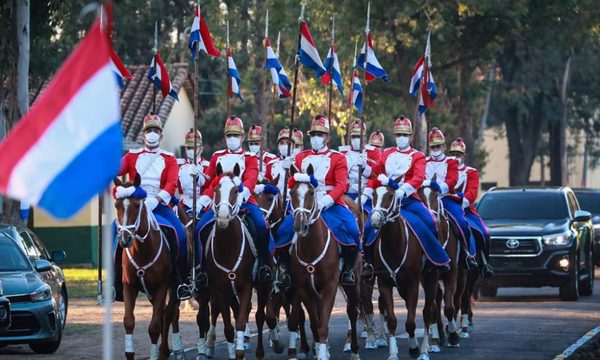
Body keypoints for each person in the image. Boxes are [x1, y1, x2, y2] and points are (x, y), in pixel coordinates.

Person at [114, 113, 192, 300]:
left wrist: (156, 200)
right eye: (149, 130)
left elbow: (171, 183)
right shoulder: (132, 156)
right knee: (112, 233)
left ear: (161, 135)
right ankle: (117, 283)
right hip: (134, 205)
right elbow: (115, 171)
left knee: (180, 234)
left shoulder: (169, 158)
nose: (152, 134)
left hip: (159, 204)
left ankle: (181, 281)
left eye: (156, 130)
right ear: (143, 134)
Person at [277, 115, 361, 285]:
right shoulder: (301, 157)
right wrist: (287, 169)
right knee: (283, 231)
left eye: (320, 134)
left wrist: (326, 200)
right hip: (305, 204)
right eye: (314, 134)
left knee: (352, 230)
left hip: (330, 202)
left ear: (327, 137)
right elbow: (294, 184)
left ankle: (347, 271)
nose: (316, 137)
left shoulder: (338, 157)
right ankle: (285, 270)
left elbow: (341, 185)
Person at [194, 116, 274, 287]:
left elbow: (251, 178)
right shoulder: (217, 157)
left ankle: (263, 265)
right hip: (220, 203)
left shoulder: (250, 157)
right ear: (225, 137)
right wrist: (199, 182)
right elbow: (209, 182)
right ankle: (201, 271)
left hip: (244, 201)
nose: (232, 139)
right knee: (199, 229)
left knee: (262, 227)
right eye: (229, 135)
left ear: (243, 137)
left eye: (236, 136)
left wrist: (242, 194)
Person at [366, 116, 451, 272]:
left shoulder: (417, 155)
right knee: (369, 226)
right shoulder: (387, 153)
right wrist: (365, 169)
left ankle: (433, 258)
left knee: (431, 222)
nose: (402, 138)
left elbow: (418, 177)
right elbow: (376, 172)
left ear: (411, 136)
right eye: (399, 135)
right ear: (395, 136)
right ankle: (368, 262)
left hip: (408, 200)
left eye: (405, 135)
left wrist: (402, 190)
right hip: (386, 200)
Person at [425, 128, 478, 269]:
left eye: (438, 146)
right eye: (433, 147)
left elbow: (452, 181)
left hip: (446, 199)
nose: (435, 149)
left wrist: (437, 187)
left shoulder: (451, 162)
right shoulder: (423, 161)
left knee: (462, 222)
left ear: (444, 146)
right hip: (427, 200)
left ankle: (467, 254)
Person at [450, 138, 495, 278]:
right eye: (453, 154)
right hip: (447, 206)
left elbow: (472, 191)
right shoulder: (445, 169)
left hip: (465, 208)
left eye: (458, 154)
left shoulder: (471, 172)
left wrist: (463, 202)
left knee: (484, 233)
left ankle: (484, 263)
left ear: (464, 156)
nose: (455, 157)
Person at [177, 128, 210, 217]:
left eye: (194, 147)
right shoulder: (178, 164)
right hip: (183, 205)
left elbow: (209, 186)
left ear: (201, 149)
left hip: (204, 207)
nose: (191, 150)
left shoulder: (208, 166)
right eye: (189, 147)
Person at [263, 127, 303, 194]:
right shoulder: (271, 164)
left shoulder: (300, 162)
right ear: (278, 146)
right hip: (276, 201)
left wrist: (292, 166)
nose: (285, 145)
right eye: (281, 143)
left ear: (293, 146)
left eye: (288, 143)